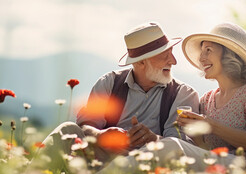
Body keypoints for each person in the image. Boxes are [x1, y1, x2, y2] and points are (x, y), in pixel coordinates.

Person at [96, 22, 246, 174]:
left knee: (171, 145)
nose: (201, 58)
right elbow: (205, 152)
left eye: (208, 51)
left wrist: (209, 125)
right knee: (174, 145)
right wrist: (193, 135)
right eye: (201, 51)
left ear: (230, 55)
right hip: (215, 166)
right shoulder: (207, 100)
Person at [42, 22, 199, 160]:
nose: (173, 61)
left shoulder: (183, 94)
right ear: (141, 62)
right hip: (102, 157)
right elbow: (84, 125)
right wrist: (100, 135)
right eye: (165, 56)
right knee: (68, 129)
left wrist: (153, 139)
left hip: (148, 163)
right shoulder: (109, 83)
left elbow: (180, 147)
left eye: (171, 53)